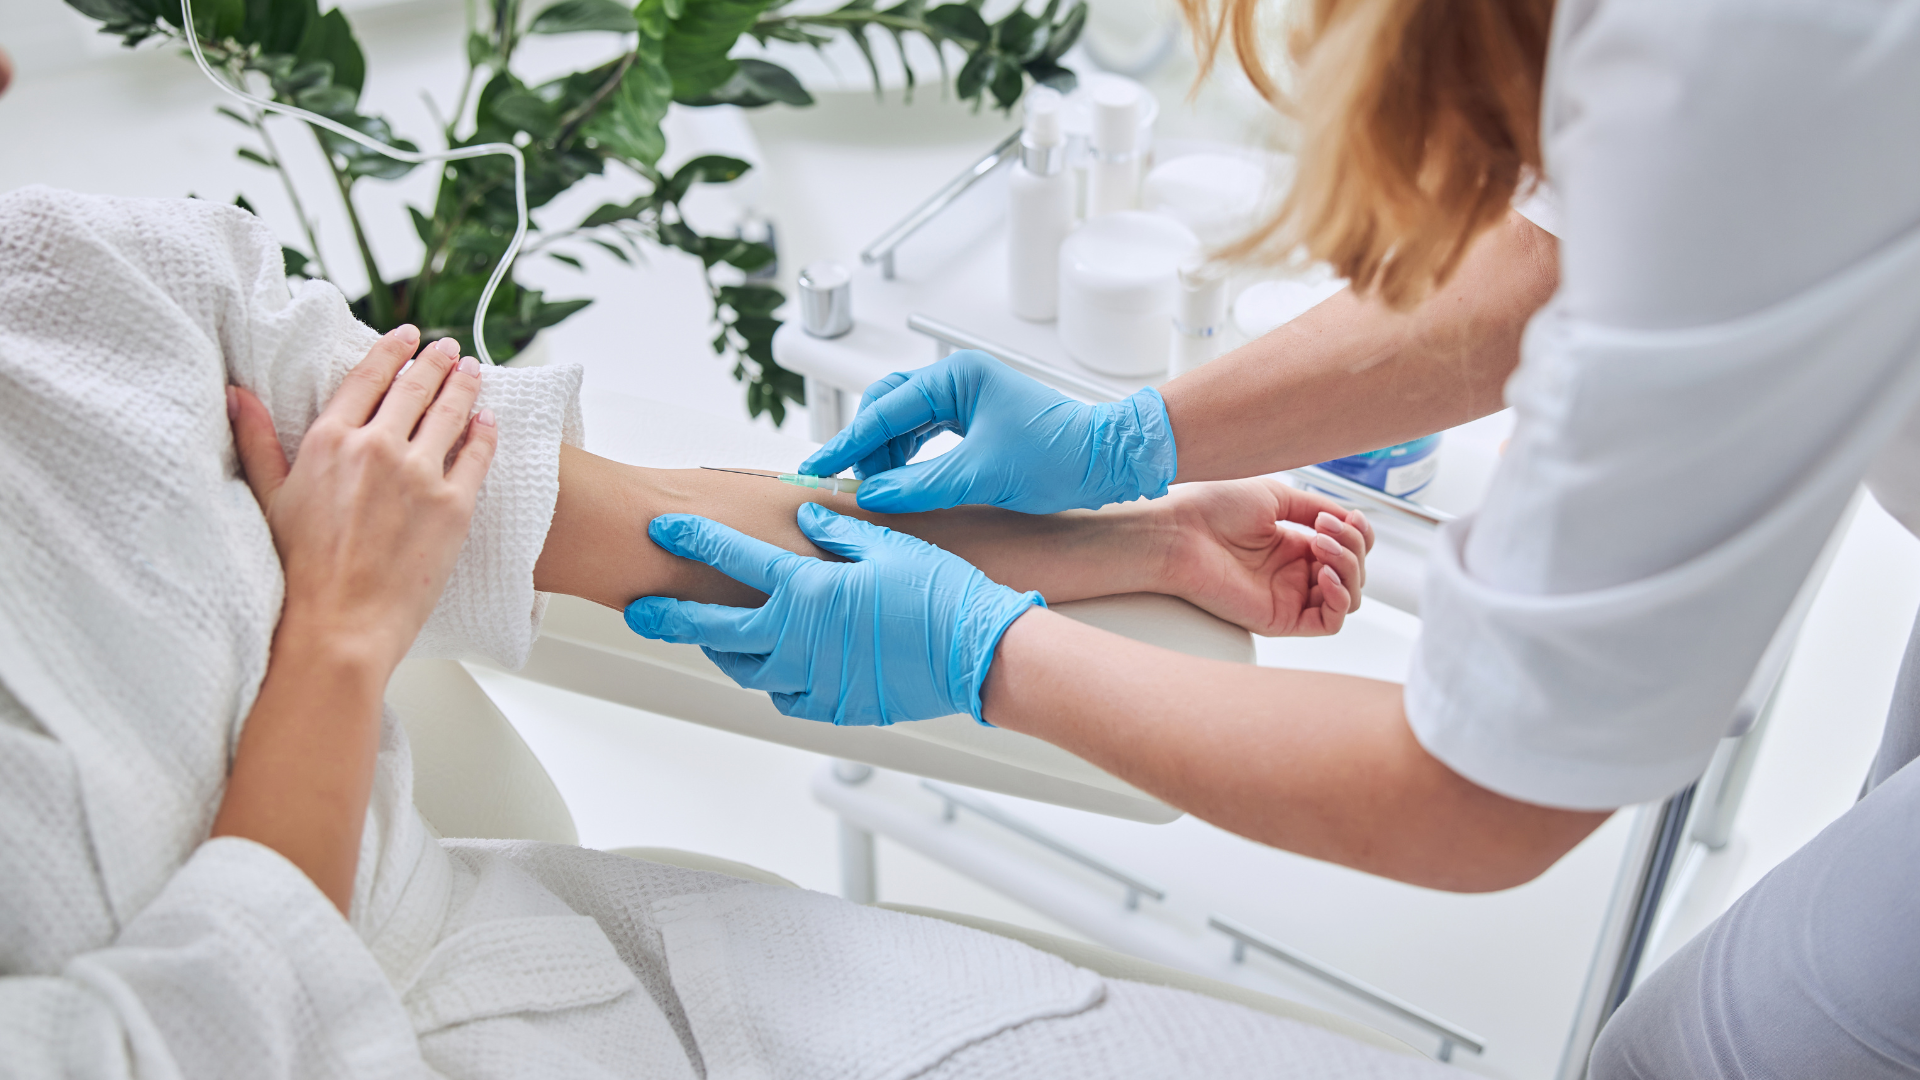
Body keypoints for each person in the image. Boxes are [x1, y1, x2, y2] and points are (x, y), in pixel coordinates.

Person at [0, 55, 1417, 1074]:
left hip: (603, 993)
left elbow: (626, 519)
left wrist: (1139, 522)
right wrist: (336, 640)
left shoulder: (92, 279)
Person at [627, 0, 1920, 1075]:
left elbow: (1486, 795)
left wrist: (984, 651)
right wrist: (1137, 443)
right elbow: (1554, 262)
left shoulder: (1746, 53)